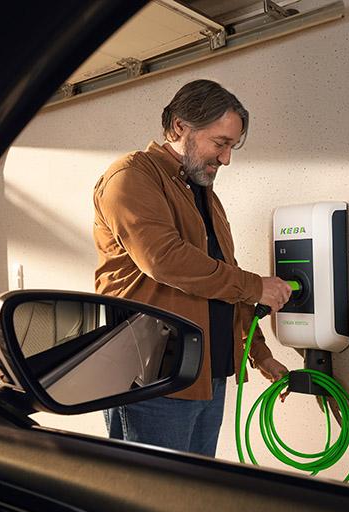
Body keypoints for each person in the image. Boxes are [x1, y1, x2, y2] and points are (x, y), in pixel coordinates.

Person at [93, 79, 291, 457]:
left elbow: (223, 278)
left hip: (208, 378)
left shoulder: (204, 195)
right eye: (220, 143)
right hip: (153, 384)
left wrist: (259, 354)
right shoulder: (131, 177)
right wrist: (256, 286)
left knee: (192, 490)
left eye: (231, 147)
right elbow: (165, 259)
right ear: (179, 127)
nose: (226, 159)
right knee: (151, 493)